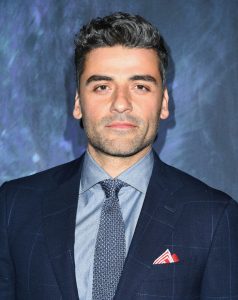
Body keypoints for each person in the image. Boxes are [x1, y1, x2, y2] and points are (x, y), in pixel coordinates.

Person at [0, 12, 238, 300]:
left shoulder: (213, 217)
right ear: (78, 103)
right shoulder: (14, 206)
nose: (121, 104)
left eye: (140, 86)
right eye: (102, 86)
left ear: (163, 103)